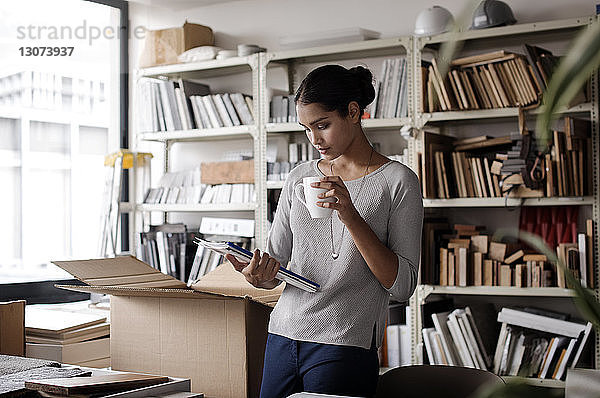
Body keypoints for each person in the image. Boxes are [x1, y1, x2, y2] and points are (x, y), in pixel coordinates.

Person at [226, 64, 423, 398]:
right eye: (306, 129)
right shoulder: (298, 178)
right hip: (282, 334)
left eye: (323, 125)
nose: (314, 139)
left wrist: (349, 213)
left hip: (345, 343)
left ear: (353, 112)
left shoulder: (397, 181)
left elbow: (403, 286)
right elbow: (279, 261)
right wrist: (260, 275)